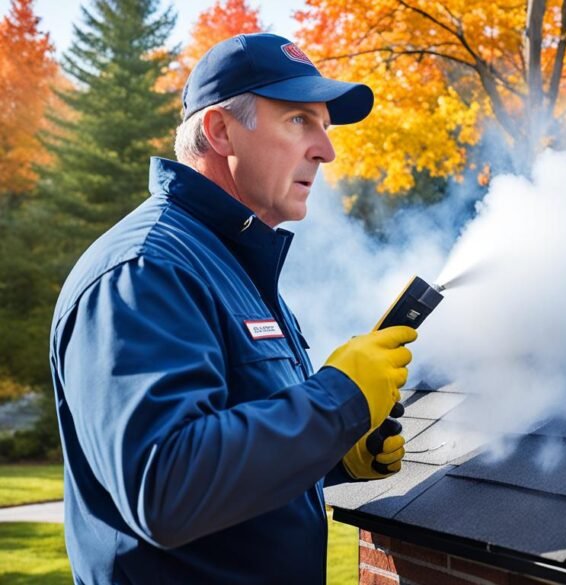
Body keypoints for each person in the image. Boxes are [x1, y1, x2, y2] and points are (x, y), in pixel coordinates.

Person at [48, 33, 413, 584]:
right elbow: (165, 487)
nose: (326, 150)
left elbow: (232, 451)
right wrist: (340, 400)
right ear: (220, 131)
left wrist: (334, 453)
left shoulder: (233, 264)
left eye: (326, 127)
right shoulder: (146, 271)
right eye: (298, 121)